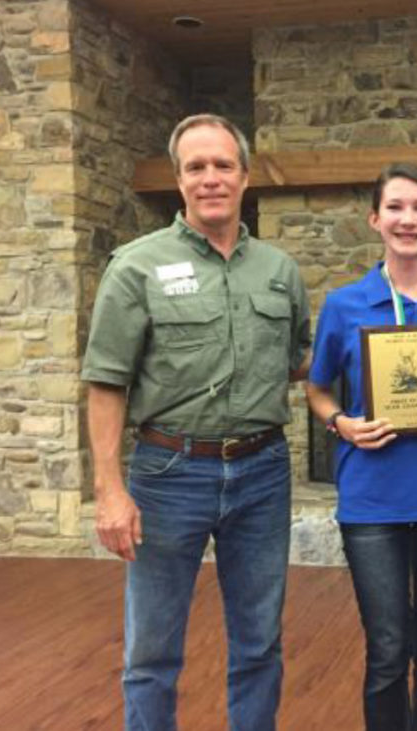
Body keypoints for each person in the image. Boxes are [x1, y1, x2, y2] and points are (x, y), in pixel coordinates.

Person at [81, 113, 311, 730]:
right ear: (180, 180)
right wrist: (110, 490)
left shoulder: (280, 271)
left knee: (259, 642)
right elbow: (105, 382)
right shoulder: (135, 267)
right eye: (196, 167)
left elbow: (299, 363)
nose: (210, 178)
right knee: (153, 650)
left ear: (244, 175)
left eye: (223, 165)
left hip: (263, 472)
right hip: (168, 473)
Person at [305, 162, 417, 731]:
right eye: (397, 208)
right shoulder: (343, 304)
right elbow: (315, 388)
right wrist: (341, 423)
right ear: (375, 219)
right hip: (373, 500)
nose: (409, 219)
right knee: (386, 654)